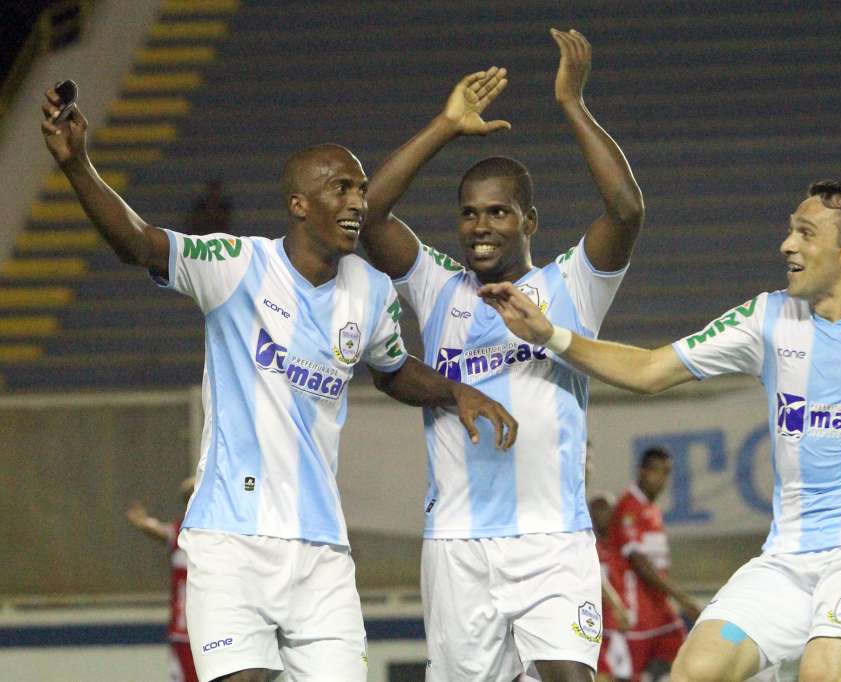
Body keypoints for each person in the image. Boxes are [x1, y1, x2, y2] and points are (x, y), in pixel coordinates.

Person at [41, 83, 516, 682]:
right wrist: (78, 165)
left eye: (362, 189)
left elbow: (393, 372)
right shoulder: (236, 266)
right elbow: (138, 242)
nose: (356, 202)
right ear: (298, 204)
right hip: (230, 541)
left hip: (321, 550)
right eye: (340, 187)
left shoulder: (370, 290)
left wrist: (454, 390)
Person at [478, 180, 841, 682]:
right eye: (790, 229)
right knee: (698, 668)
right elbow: (648, 370)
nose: (787, 244)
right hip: (789, 559)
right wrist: (551, 334)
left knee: (824, 671)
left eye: (805, 233)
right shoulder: (765, 319)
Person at [360, 29, 644, 681]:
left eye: (498, 213)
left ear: (530, 222)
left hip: (553, 540)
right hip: (458, 546)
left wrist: (572, 104)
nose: (480, 227)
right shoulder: (437, 286)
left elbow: (625, 210)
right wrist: (445, 126)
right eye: (468, 214)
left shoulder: (570, 286)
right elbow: (368, 218)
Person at [608, 447, 701, 682]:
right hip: (637, 608)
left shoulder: (653, 509)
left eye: (666, 472)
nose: (661, 479)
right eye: (655, 471)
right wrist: (681, 596)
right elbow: (640, 564)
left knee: (684, 654)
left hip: (659, 607)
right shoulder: (628, 507)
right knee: (631, 675)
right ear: (641, 471)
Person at [127, 477, 198, 682]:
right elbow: (159, 531)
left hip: (211, 628)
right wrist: (143, 523)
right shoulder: (179, 535)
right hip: (183, 630)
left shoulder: (219, 536)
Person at [591, 491, 633, 682]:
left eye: (606, 508)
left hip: (621, 627)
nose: (602, 514)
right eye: (596, 509)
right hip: (597, 627)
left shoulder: (622, 547)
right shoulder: (588, 547)